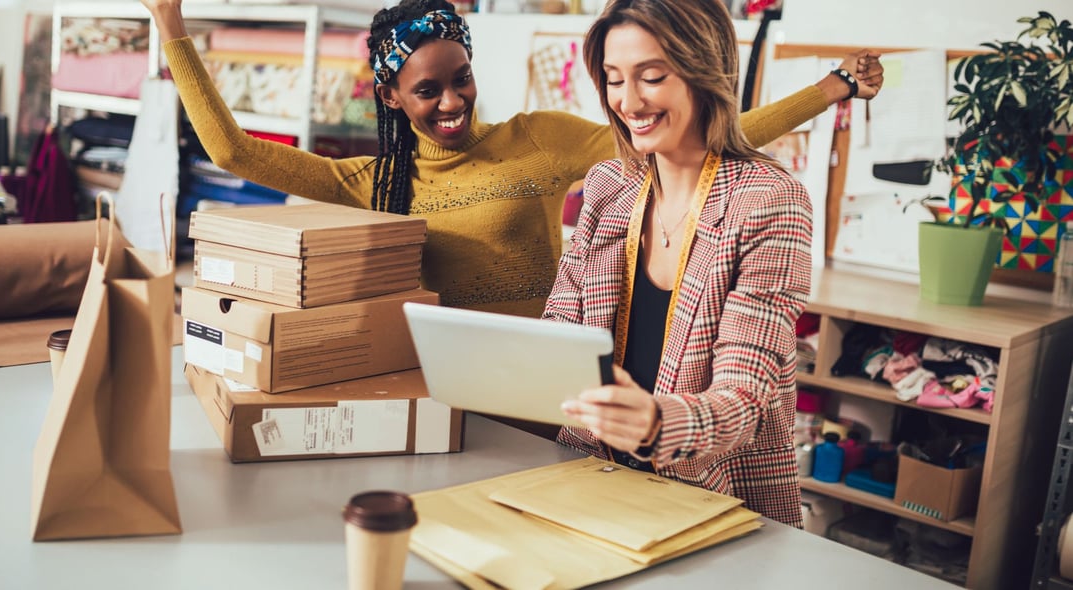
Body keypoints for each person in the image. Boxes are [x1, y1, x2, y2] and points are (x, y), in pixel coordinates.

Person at [141, 0, 882, 321]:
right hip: (448, 383)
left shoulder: (540, 139)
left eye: (460, 77)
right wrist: (171, 25)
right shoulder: (374, 181)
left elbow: (698, 134)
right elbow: (231, 151)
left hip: (553, 375)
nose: (451, 100)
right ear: (392, 99)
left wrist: (829, 89)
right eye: (426, 90)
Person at [549, 0, 826, 527]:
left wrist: (655, 424)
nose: (628, 101)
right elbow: (559, 329)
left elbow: (744, 397)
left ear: (706, 72)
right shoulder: (608, 188)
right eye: (613, 79)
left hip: (710, 500)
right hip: (587, 479)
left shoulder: (769, 200)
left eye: (651, 77)